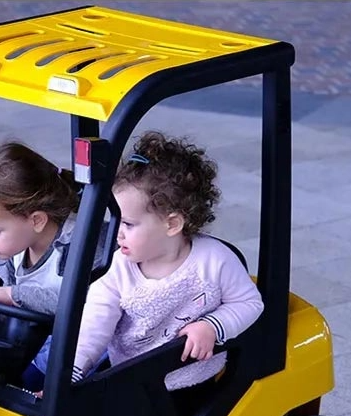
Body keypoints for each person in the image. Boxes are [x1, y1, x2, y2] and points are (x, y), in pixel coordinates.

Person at [72, 130, 264, 394]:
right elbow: (94, 324)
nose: (118, 233)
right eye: (116, 221)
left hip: (195, 381)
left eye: (128, 224)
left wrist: (212, 326)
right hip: (133, 381)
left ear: (171, 223)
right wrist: (71, 373)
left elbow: (249, 303)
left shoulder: (214, 261)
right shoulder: (116, 269)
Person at [0, 141, 107, 390]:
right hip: (41, 338)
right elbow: (22, 318)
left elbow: (81, 305)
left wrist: (11, 295)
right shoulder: (13, 256)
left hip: (88, 343)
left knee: (25, 377)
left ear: (36, 220)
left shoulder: (82, 247)